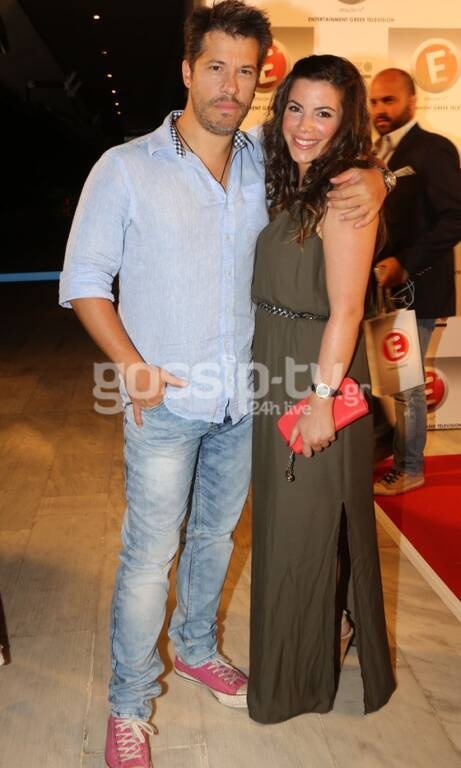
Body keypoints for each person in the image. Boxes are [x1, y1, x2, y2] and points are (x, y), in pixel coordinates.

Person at [59, 3, 389, 765]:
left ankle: (198, 649)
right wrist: (131, 365)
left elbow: (333, 157)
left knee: (214, 539)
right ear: (186, 70)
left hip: (247, 399)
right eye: (215, 67)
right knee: (150, 557)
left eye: (245, 71)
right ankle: (129, 704)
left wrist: (374, 178)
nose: (229, 86)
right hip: (166, 402)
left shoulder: (261, 161)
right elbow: (83, 280)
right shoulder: (126, 167)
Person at [248, 54, 396, 725]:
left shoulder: (345, 194)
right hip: (276, 366)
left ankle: (299, 681)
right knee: (287, 527)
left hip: (316, 374)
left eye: (324, 113)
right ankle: (317, 640)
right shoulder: (294, 180)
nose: (304, 125)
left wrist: (319, 403)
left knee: (302, 531)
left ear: (346, 122)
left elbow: (346, 310)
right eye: (295, 108)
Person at [370, 68, 461, 496]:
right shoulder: (376, 152)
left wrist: (405, 264)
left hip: (417, 288)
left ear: (411, 101)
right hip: (383, 291)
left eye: (389, 100)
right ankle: (391, 452)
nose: (379, 109)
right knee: (393, 382)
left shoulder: (433, 148)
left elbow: (456, 216)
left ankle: (410, 468)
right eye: (374, 101)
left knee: (407, 386)